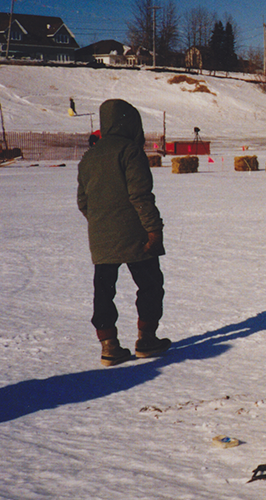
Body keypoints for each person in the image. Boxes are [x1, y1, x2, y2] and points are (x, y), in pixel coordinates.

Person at [77, 99, 170, 367]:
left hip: (100, 236)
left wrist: (101, 222)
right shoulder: (130, 151)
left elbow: (83, 201)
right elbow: (141, 196)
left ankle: (109, 346)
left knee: (104, 290)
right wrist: (153, 231)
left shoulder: (89, 157)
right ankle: (147, 340)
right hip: (134, 234)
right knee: (150, 284)